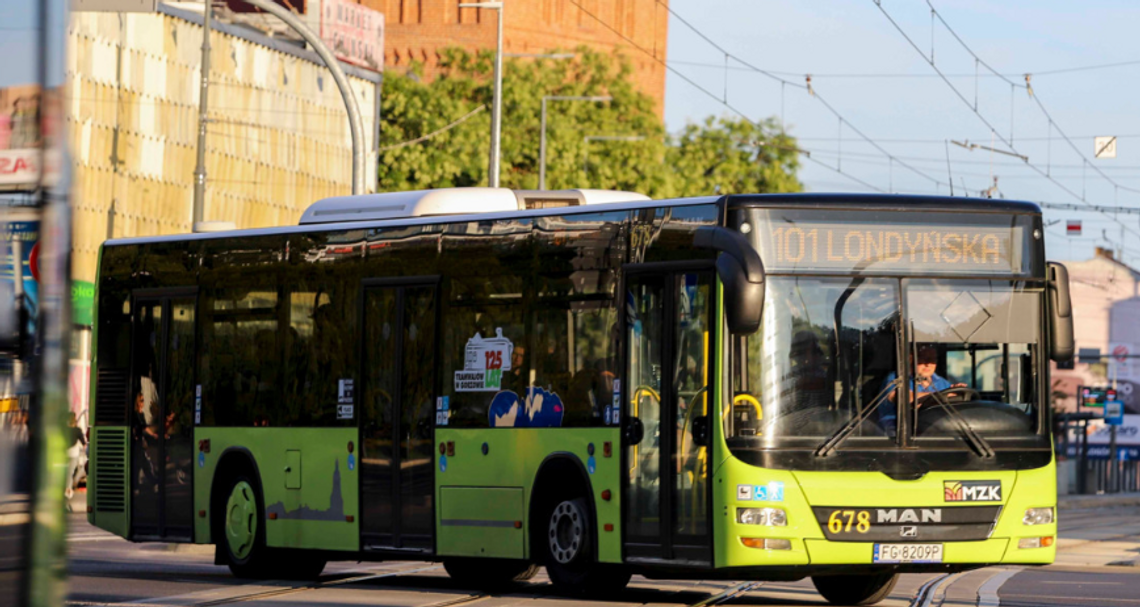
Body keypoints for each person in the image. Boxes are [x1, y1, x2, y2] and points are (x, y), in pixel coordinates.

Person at [879, 344, 966, 436]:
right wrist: (943, 395)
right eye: (924, 358)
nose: (928, 364)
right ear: (911, 359)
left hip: (933, 429)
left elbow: (950, 406)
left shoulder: (943, 383)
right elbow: (905, 398)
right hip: (898, 434)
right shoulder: (896, 378)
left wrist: (958, 394)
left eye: (932, 359)